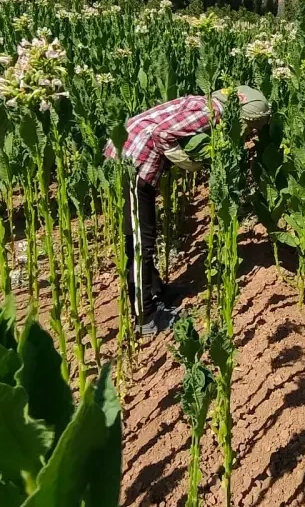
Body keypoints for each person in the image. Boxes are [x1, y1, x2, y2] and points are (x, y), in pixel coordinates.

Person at [105, 86, 271, 336]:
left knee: (146, 236)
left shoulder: (207, 103)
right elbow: (162, 133)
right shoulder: (212, 113)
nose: (247, 133)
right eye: (250, 127)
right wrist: (187, 160)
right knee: (141, 243)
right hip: (132, 162)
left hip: (133, 156)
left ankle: (157, 291)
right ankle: (145, 317)